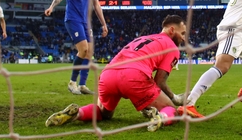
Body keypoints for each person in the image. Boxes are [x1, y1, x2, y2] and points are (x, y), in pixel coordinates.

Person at [45, 14, 187, 132]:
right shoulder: (172, 47)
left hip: (108, 74)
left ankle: (77, 114)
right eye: (182, 33)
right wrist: (174, 98)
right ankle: (161, 117)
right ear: (171, 30)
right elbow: (159, 82)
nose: (184, 38)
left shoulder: (144, 38)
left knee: (103, 112)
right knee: (171, 110)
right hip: (133, 76)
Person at [45, 0, 109, 95]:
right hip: (73, 19)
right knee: (83, 49)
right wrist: (52, 6)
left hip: (86, 22)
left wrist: (104, 24)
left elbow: (96, 5)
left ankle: (82, 85)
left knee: (89, 52)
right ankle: (72, 82)